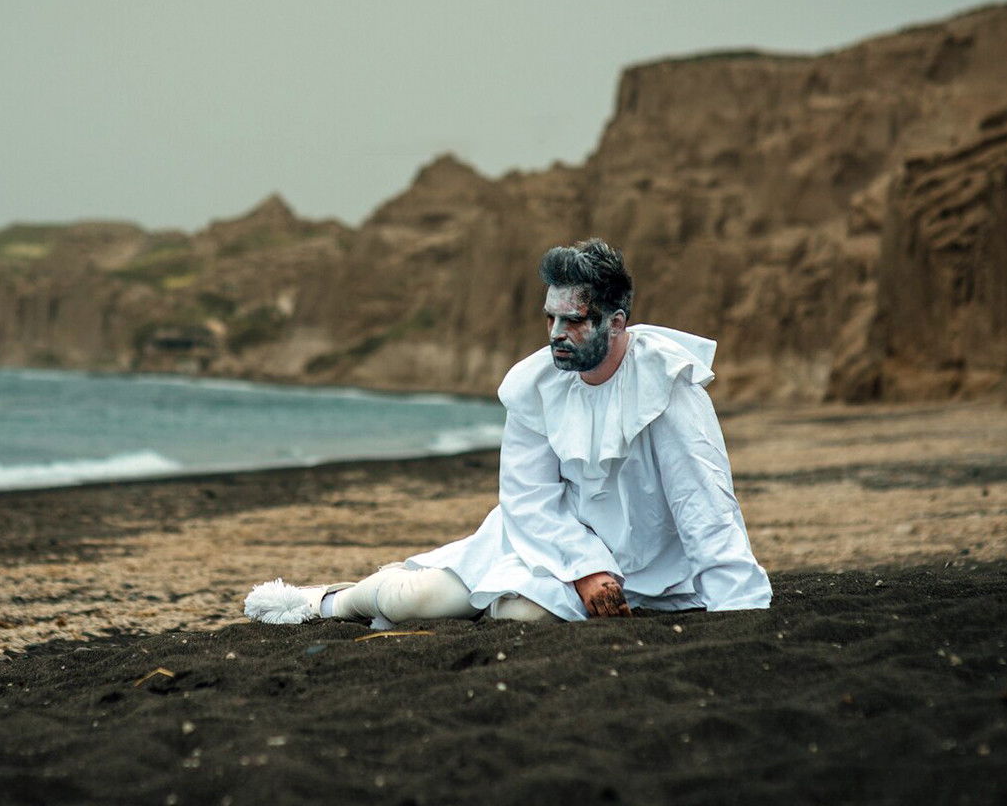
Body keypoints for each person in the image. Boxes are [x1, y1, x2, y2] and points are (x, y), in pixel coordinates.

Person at [244, 238, 771, 628]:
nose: (557, 335)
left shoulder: (667, 385)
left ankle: (473, 597)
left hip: (654, 571)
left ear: (616, 322)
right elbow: (528, 497)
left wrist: (737, 608)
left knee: (521, 616)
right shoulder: (535, 384)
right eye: (550, 319)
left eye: (573, 321)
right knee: (416, 602)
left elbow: (705, 503)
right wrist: (586, 568)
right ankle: (327, 601)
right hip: (544, 542)